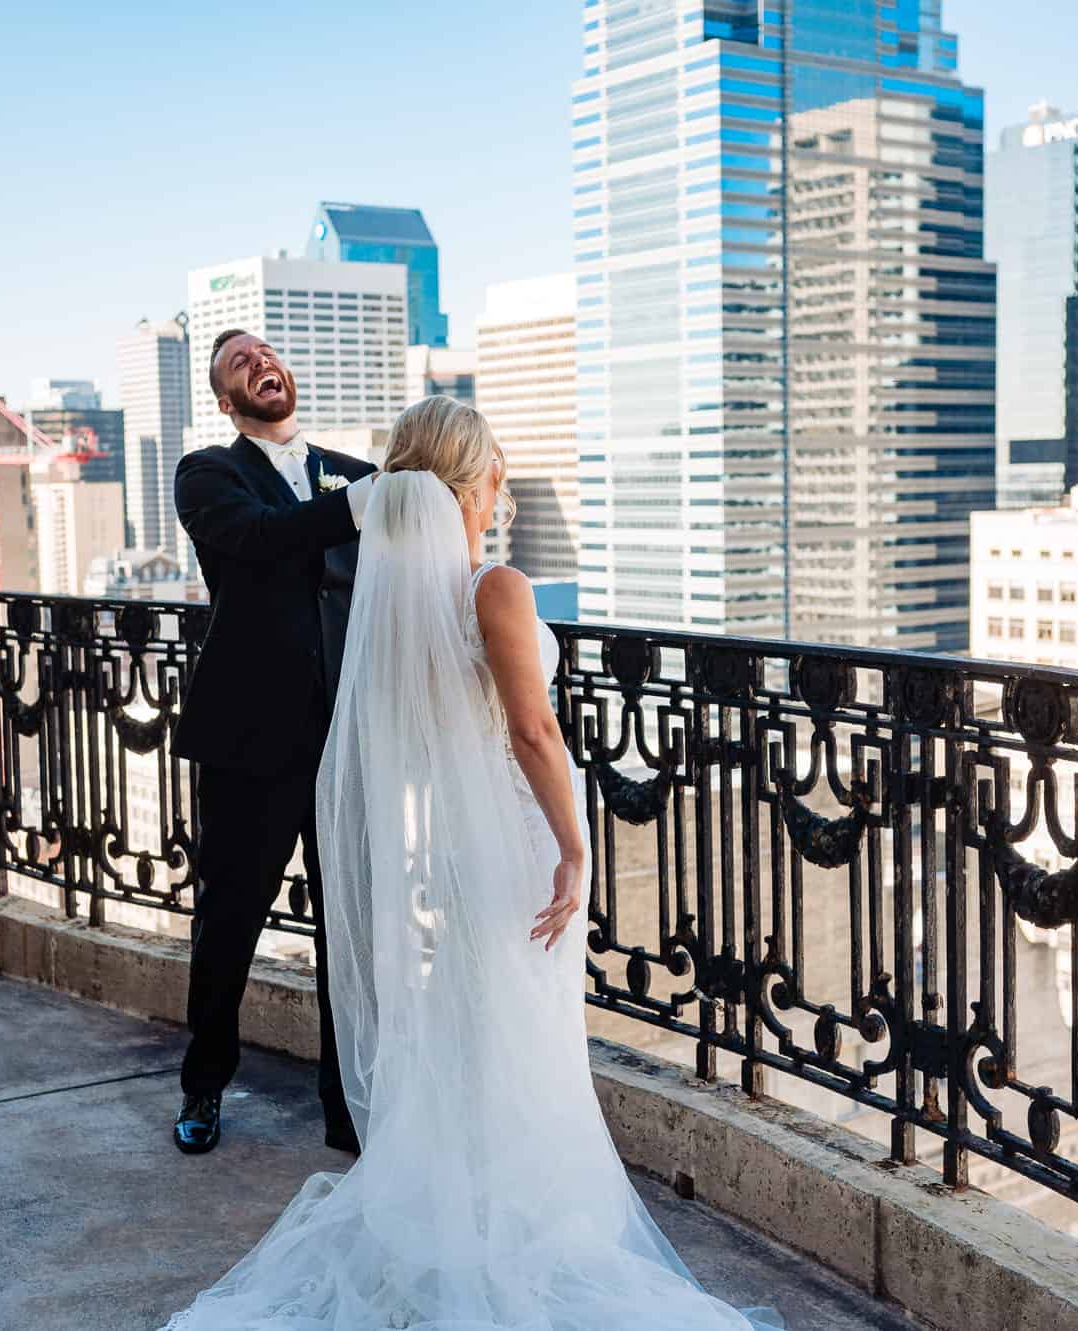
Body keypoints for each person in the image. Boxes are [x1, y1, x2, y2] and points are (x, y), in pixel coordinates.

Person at [161, 397, 778, 1329]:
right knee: (519, 1043)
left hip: (450, 853)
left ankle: (464, 1215)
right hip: (513, 846)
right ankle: (514, 1230)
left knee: (468, 1033)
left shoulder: (396, 594)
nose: (499, 496)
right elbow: (532, 730)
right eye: (495, 478)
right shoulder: (495, 589)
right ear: (472, 482)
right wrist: (576, 849)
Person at [169, 329, 376, 1157]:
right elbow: (257, 542)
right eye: (237, 364)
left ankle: (346, 1107)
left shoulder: (355, 474)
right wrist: (358, 507)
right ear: (227, 401)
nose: (260, 363)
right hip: (249, 742)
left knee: (349, 935)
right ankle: (204, 1085)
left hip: (342, 743)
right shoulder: (206, 475)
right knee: (228, 926)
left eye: (265, 353)